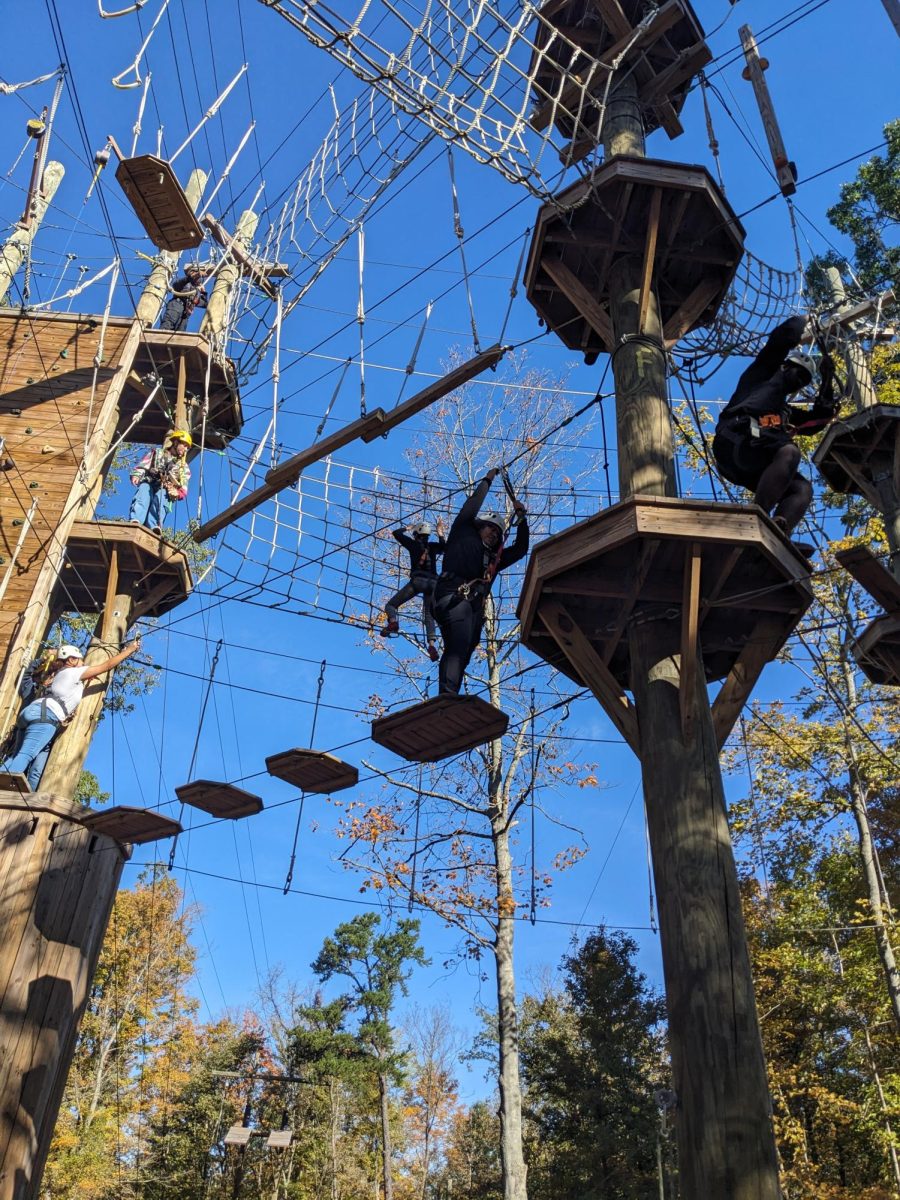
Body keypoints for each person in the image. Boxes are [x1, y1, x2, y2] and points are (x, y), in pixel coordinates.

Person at [713, 314, 839, 555]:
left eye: (804, 381)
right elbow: (780, 341)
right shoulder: (762, 375)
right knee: (789, 451)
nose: (799, 382)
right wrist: (803, 321)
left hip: (752, 458)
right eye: (798, 373)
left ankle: (778, 530)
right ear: (786, 366)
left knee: (802, 489)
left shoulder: (783, 412)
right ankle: (758, 516)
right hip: (735, 440)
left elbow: (817, 420)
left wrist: (827, 380)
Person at [433, 468, 529, 695]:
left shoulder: (494, 559)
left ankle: (451, 691)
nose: (494, 534)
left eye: (498, 533)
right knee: (458, 645)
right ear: (480, 526)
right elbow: (473, 504)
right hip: (453, 594)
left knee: (466, 647)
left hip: (472, 607)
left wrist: (522, 519)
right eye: (490, 528)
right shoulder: (463, 532)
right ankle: (447, 694)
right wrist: (488, 480)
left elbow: (521, 549)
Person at [1, 638, 142, 791]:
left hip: (34, 714)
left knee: (32, 766)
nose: (84, 664)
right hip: (46, 716)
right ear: (72, 660)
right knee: (26, 755)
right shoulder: (74, 672)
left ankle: (27, 801)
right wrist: (129, 650)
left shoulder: (60, 674)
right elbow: (106, 666)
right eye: (81, 660)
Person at [380, 519, 446, 661]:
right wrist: (440, 533)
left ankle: (393, 621)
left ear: (416, 534)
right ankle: (432, 644)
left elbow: (396, 533)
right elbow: (445, 548)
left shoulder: (412, 544)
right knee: (429, 616)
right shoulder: (433, 547)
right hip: (434, 584)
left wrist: (408, 527)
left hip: (418, 581)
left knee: (391, 605)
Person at [129, 429, 192, 534]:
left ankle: (153, 525)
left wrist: (179, 493)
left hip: (165, 487)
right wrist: (137, 475)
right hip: (150, 481)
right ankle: (136, 520)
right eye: (184, 445)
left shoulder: (183, 466)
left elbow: (184, 482)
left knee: (162, 498)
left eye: (187, 448)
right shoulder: (157, 453)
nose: (185, 449)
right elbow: (144, 464)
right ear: (176, 442)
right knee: (143, 493)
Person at [159, 265, 207, 332]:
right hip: (176, 305)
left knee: (180, 333)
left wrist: (203, 292)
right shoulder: (185, 282)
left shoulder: (196, 292)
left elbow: (204, 304)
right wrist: (194, 275)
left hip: (185, 313)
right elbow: (176, 285)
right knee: (168, 325)